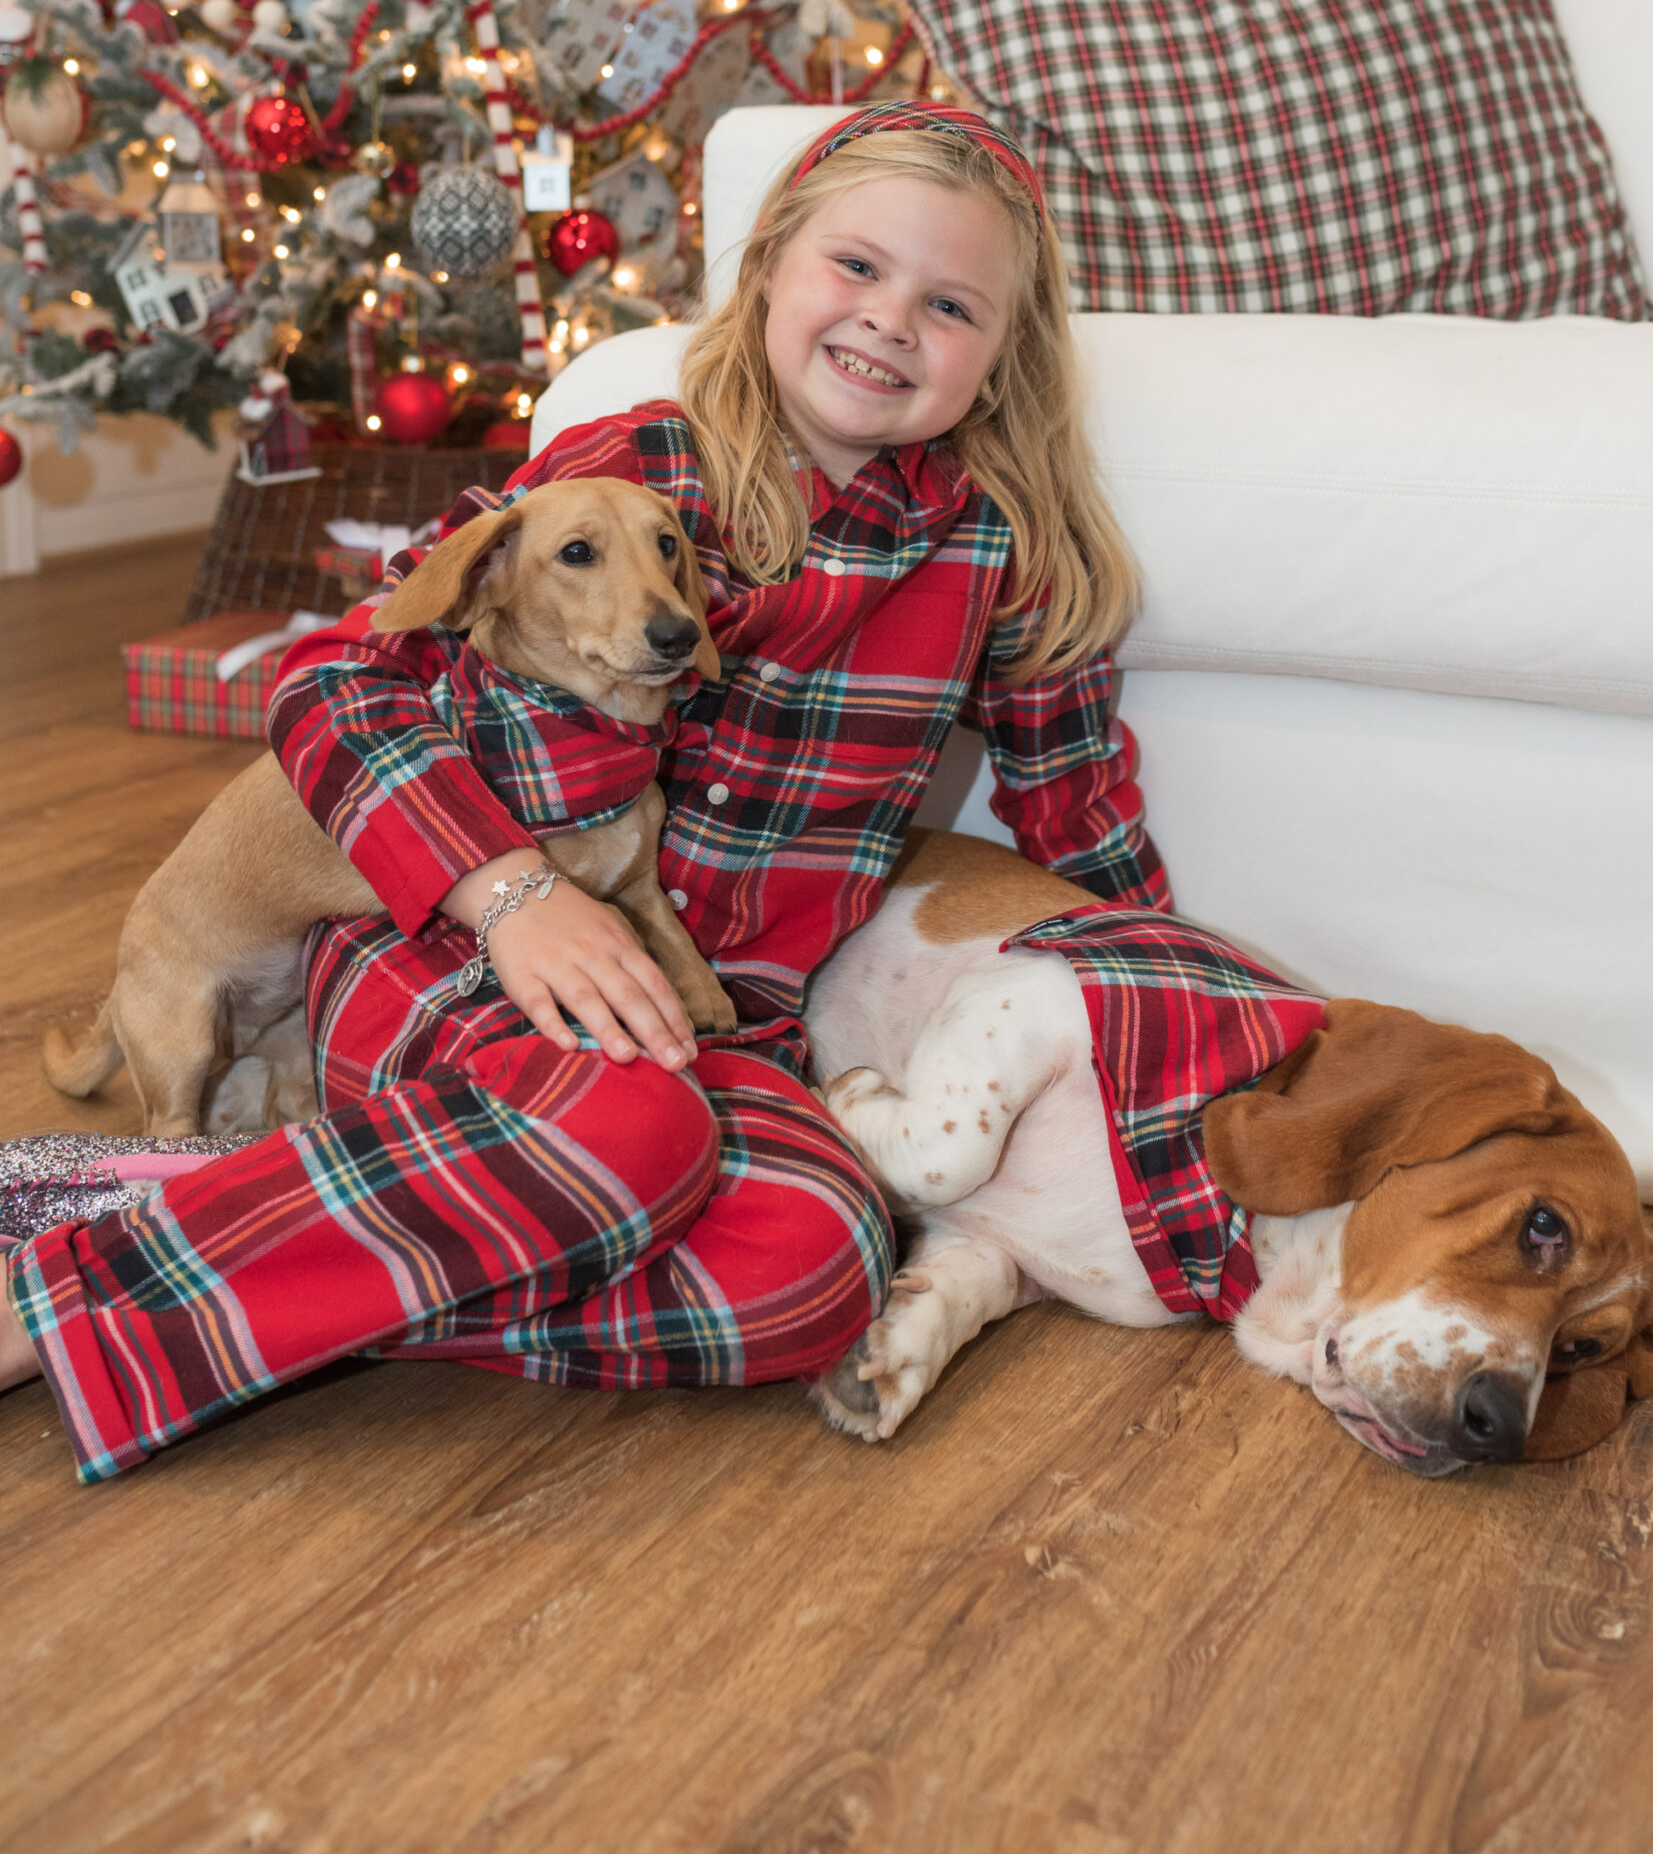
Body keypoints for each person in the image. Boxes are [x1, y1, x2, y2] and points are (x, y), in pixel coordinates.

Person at [0, 102, 1170, 1482]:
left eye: (951, 302)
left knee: (818, 1263)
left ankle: (264, 1227)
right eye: (856, 268)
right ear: (773, 266)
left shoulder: (1001, 560)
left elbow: (1079, 825)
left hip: (709, 1026)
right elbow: (330, 681)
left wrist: (1167, 1027)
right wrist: (512, 893)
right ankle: (53, 1303)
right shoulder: (630, 468)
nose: (889, 321)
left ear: (1003, 353)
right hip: (448, 960)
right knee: (629, 1125)